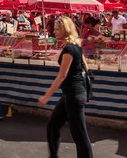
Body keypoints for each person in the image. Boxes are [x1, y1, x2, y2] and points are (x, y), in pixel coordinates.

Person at [39, 16, 93, 158]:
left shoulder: (69, 49)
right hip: (72, 93)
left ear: (65, 30)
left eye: (57, 29)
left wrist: (46, 96)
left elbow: (61, 76)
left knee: (79, 134)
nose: (54, 32)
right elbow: (85, 66)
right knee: (53, 125)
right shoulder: (76, 45)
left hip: (74, 95)